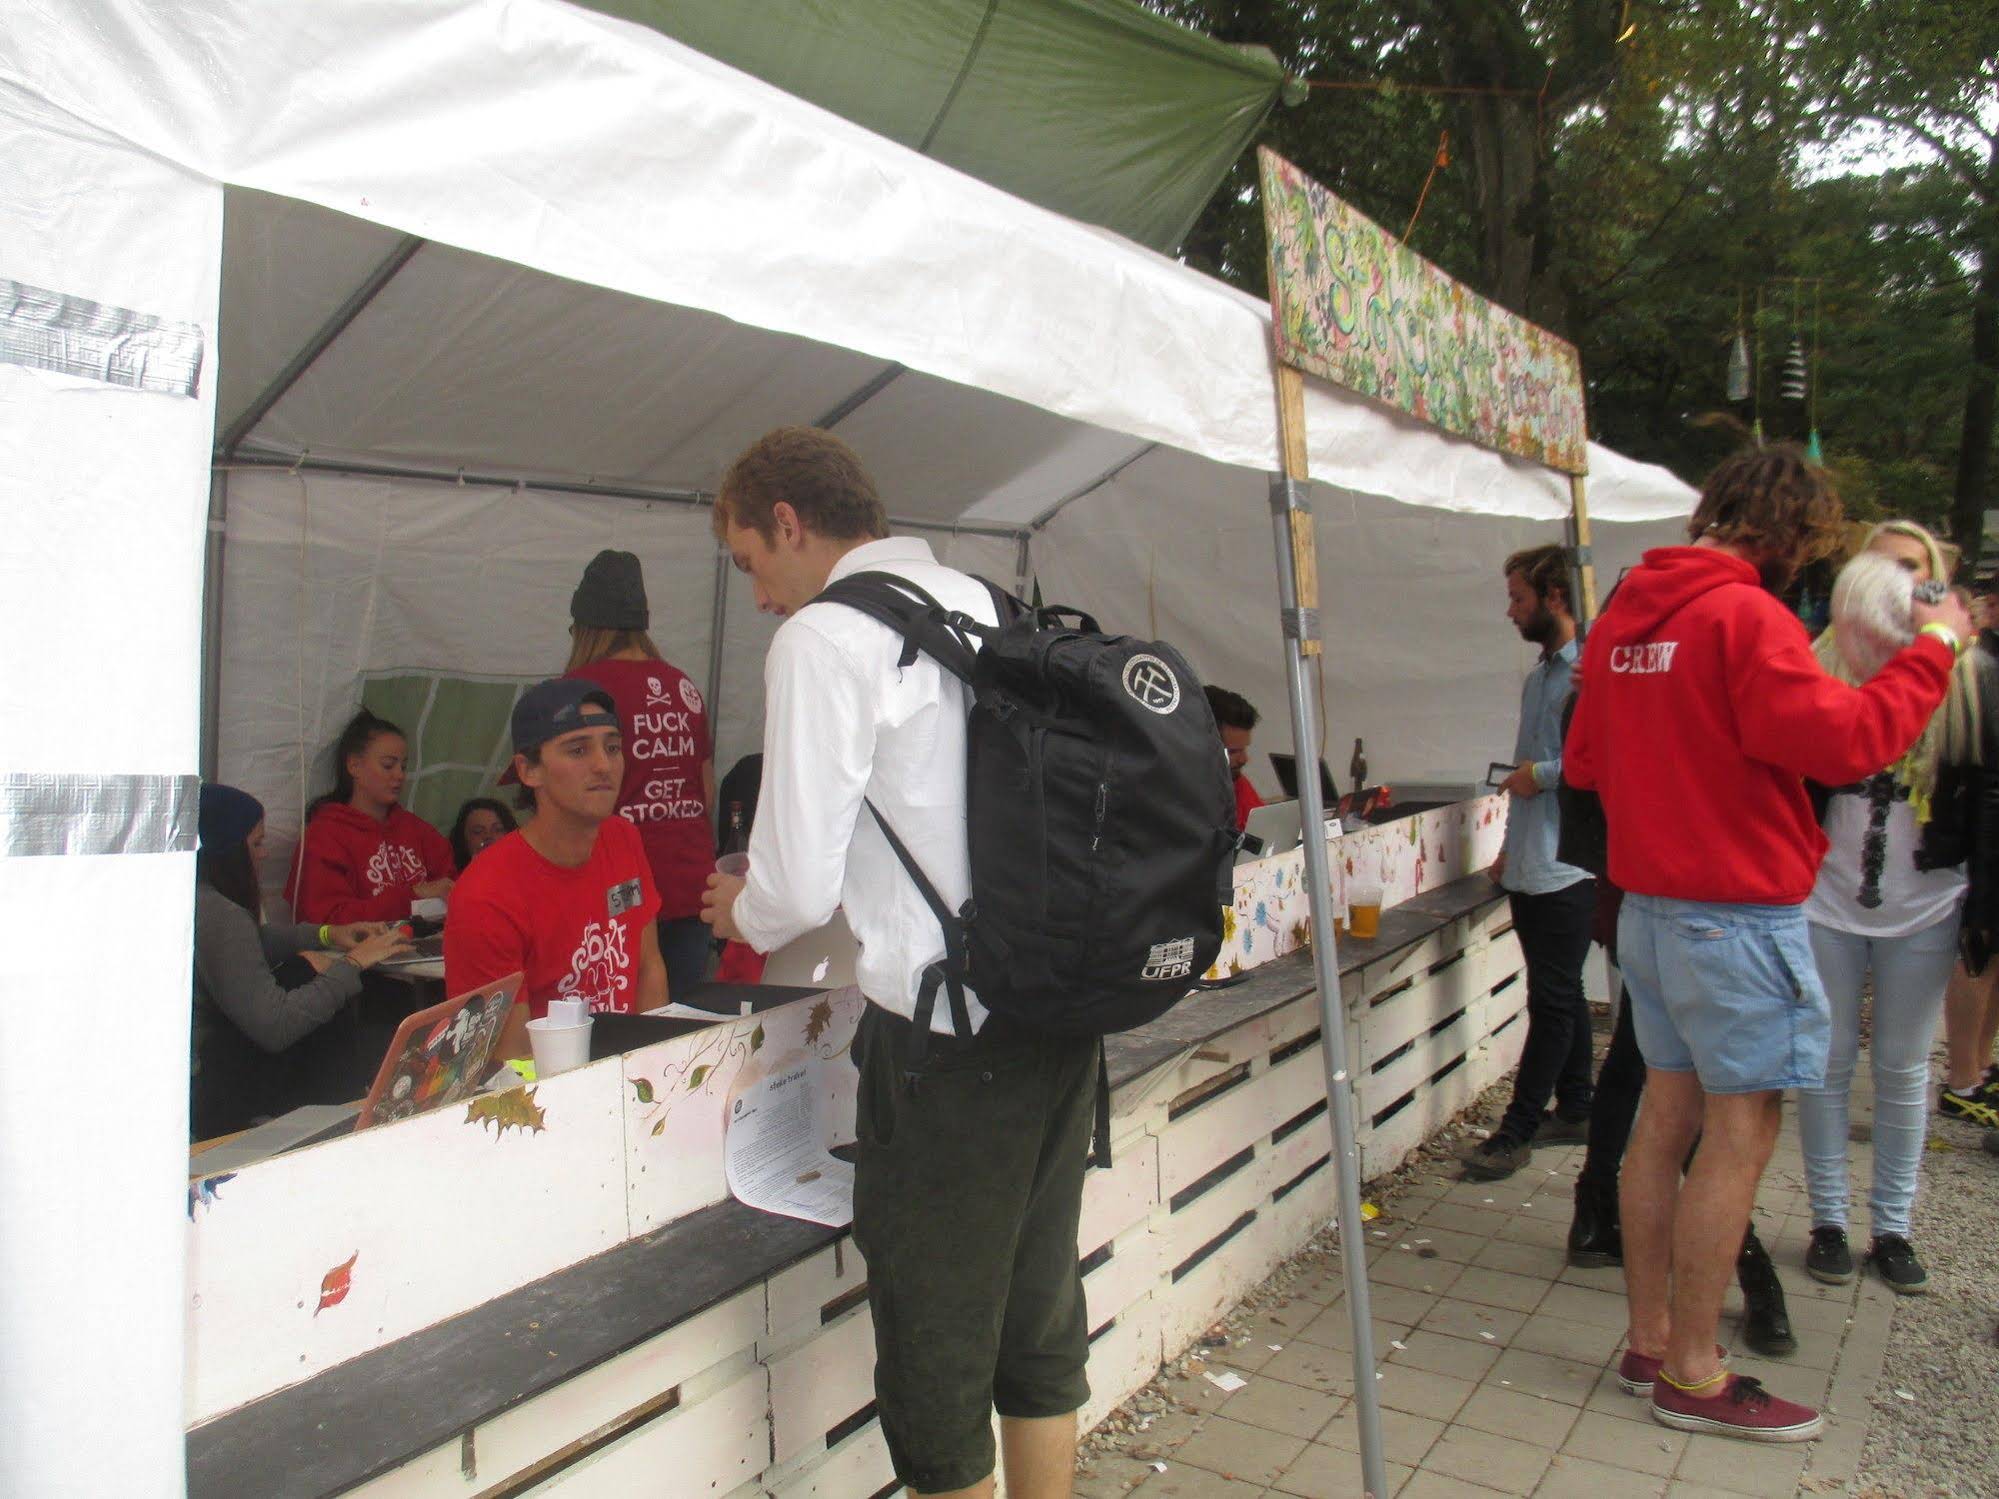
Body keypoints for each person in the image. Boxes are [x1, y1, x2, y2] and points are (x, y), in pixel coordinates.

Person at [700, 426, 1092, 1499]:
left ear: (788, 522)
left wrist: (740, 897)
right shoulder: (984, 603)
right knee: (1036, 1307)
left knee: (934, 1344)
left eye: (750, 563)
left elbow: (791, 889)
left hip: (946, 1042)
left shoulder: (828, 638)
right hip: (1056, 1009)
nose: (762, 595)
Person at [1565, 444, 1968, 1441]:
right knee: (1739, 1131)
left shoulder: (1624, 614)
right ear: (1786, 535)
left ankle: (1652, 1340)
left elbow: (1582, 758)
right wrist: (1936, 650)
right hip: (1733, 914)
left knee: (1664, 1119)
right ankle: (1696, 1372)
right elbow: (1844, 745)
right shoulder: (1744, 611)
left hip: (1651, 910)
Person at [1799, 526, 1983, 1295]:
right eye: (1883, 563)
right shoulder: (1818, 661)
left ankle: (1893, 1226)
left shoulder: (1973, 676)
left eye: (1913, 567)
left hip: (1926, 901)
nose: (1898, 579)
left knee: (1903, 1066)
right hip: (1825, 895)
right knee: (1825, 1060)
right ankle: (1827, 1220)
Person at [1458, 544, 1596, 1180]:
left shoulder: (1590, 673)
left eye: (1519, 597)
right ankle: (1577, 1103)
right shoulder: (1540, 677)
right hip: (1535, 859)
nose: (1510, 610)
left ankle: (1516, 1129)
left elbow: (1606, 762)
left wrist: (1538, 776)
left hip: (1571, 865)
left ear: (1556, 598)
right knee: (1559, 989)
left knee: (1555, 999)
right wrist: (1511, 846)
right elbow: (1525, 767)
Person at [445, 680, 665, 1063]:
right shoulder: (487, 893)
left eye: (613, 747)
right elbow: (510, 1059)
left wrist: (656, 1069)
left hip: (628, 1075)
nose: (603, 765)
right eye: (578, 750)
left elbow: (648, 969)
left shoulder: (623, 837)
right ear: (529, 770)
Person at [192, 783, 411, 1138]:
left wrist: (327, 935)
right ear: (228, 852)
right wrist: (350, 966)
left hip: (208, 1077)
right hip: (216, 1093)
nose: (264, 855)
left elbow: (250, 943)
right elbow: (276, 1025)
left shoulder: (199, 899)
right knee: (310, 979)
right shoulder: (219, 915)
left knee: (306, 968)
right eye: (257, 843)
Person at [563, 549, 717, 999]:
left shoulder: (582, 689)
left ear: (585, 627)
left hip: (618, 883)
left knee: (616, 1023)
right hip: (691, 880)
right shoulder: (682, 684)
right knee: (681, 1026)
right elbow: (705, 790)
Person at [286, 709, 456, 924]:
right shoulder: (324, 836)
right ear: (354, 765)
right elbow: (326, 919)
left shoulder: (417, 830)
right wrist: (413, 895)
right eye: (388, 765)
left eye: (403, 766)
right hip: (355, 954)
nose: (399, 775)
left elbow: (452, 884)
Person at [1203, 685, 1263, 831]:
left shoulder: (1237, 783)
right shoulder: (1178, 799)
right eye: (1233, 751)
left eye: (1244, 749)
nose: (1244, 759)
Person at [447, 797, 517, 870]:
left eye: (498, 830)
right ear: (463, 839)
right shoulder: (455, 878)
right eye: (478, 831)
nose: (488, 836)